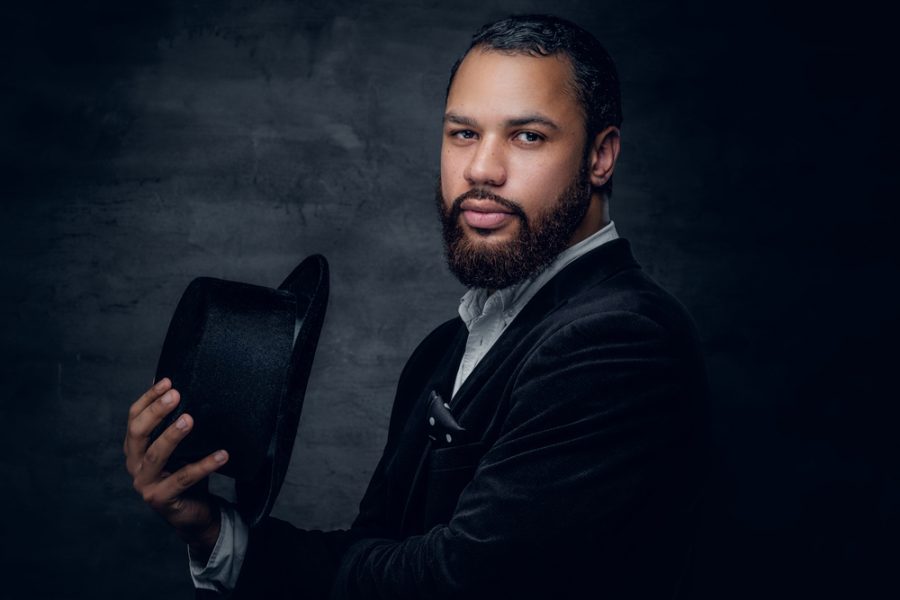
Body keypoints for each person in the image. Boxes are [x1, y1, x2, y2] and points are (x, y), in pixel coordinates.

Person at [125, 14, 708, 599]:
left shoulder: (621, 339)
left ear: (600, 157)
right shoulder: (443, 350)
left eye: (528, 136)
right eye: (463, 133)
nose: (481, 169)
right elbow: (379, 550)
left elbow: (456, 584)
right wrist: (211, 531)